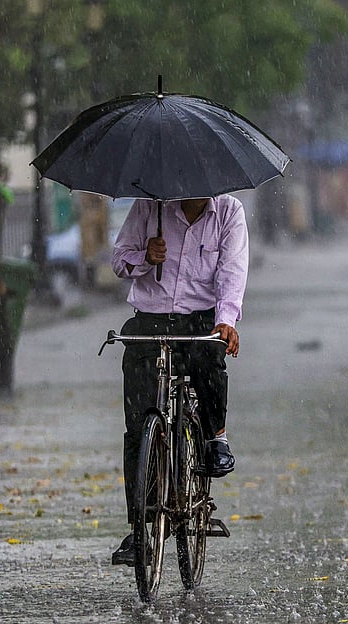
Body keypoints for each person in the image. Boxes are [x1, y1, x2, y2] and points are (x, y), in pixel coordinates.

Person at [110, 195, 249, 566]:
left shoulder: (229, 213)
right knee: (138, 429)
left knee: (209, 360)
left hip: (200, 320)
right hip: (151, 320)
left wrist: (227, 320)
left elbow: (231, 271)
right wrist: (144, 257)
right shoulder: (148, 208)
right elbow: (119, 260)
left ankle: (215, 438)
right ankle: (141, 528)